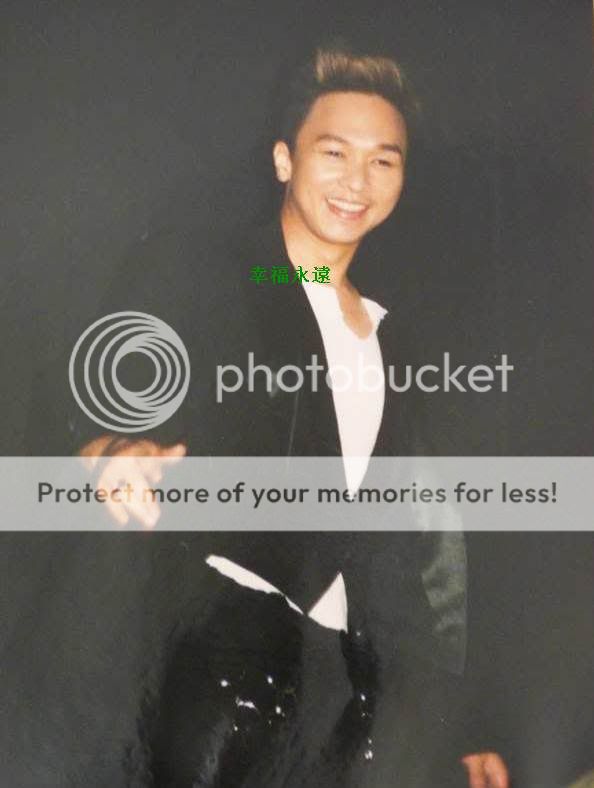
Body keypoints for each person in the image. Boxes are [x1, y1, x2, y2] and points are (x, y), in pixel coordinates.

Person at [25, 45, 509, 787]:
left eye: (383, 160)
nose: (357, 180)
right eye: (335, 152)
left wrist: (459, 725)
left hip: (335, 699)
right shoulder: (210, 273)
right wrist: (106, 448)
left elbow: (409, 550)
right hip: (209, 664)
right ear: (286, 159)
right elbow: (89, 384)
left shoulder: (389, 340)